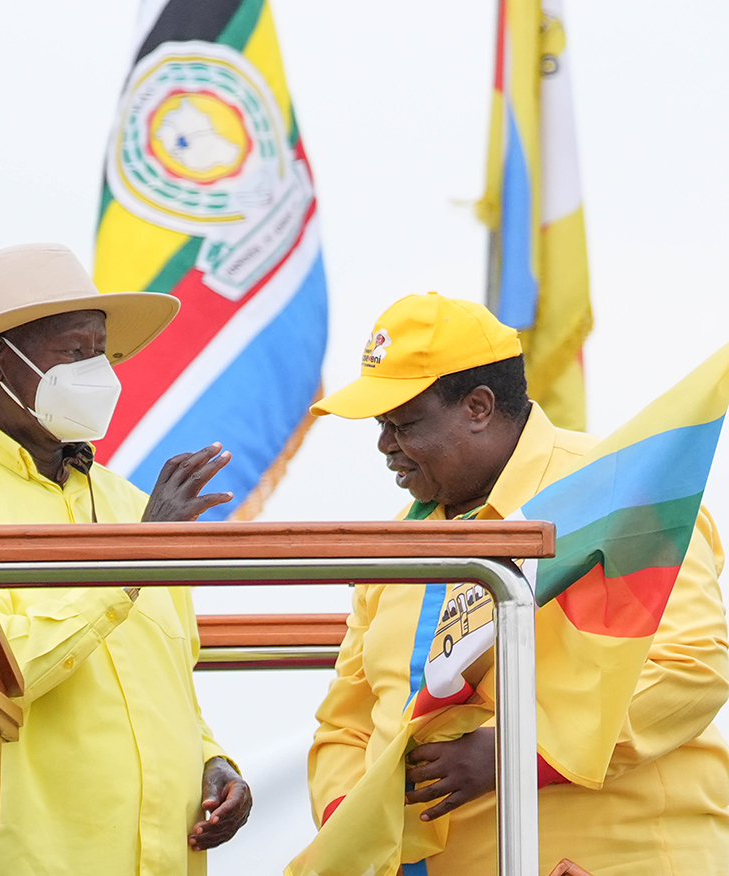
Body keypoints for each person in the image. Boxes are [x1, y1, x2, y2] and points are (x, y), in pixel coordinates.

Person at [306, 291, 729, 874]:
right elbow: (344, 725)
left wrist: (514, 755)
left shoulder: (615, 491)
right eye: (380, 426)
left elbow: (694, 666)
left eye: (401, 424)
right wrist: (352, 825)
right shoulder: (397, 543)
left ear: (478, 406)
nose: (384, 447)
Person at [0, 243, 251, 876]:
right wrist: (134, 559)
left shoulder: (134, 504)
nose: (99, 371)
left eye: (102, 351)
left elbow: (174, 683)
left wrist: (213, 761)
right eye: (75, 353)